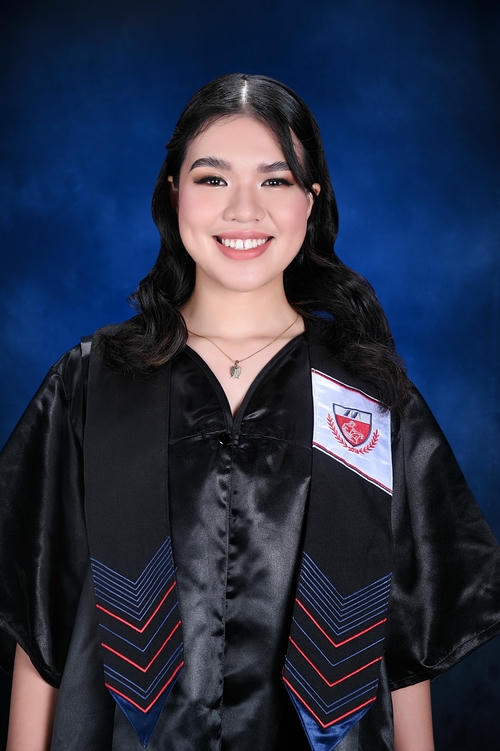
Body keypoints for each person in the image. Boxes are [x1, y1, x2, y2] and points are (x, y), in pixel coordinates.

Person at [1, 73, 499, 751]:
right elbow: (40, 625)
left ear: (310, 201)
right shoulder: (91, 383)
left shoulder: (369, 398)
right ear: (173, 193)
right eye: (212, 179)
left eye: (275, 180)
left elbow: (405, 646)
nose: (244, 210)